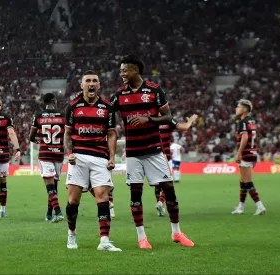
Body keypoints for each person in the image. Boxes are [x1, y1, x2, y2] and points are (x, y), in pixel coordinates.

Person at [110, 54, 194, 249]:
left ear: (136, 70)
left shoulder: (155, 90)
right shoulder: (120, 94)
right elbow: (105, 111)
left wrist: (149, 119)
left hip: (154, 150)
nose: (121, 73)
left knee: (169, 189)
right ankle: (142, 237)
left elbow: (167, 117)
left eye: (125, 70)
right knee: (135, 193)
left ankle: (176, 232)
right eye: (120, 70)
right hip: (132, 153)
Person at [64, 70, 121, 251]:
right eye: (87, 81)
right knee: (73, 201)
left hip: (100, 157)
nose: (91, 83)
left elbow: (112, 134)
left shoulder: (107, 107)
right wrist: (69, 153)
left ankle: (104, 241)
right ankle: (71, 235)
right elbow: (67, 134)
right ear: (82, 85)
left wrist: (112, 157)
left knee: (103, 198)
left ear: (99, 85)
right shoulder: (72, 106)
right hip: (78, 158)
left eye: (94, 81)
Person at [29, 92, 65, 223]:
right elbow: (67, 135)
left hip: (45, 154)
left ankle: (58, 212)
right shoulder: (62, 116)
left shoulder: (38, 116)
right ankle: (49, 213)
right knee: (54, 186)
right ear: (54, 101)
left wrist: (42, 141)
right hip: (59, 154)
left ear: (44, 103)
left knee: (49, 186)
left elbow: (31, 137)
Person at [155, 115, 198, 217]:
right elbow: (185, 127)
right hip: (166, 156)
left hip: (153, 156)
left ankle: (160, 207)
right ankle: (161, 202)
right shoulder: (168, 120)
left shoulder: (150, 119)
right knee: (168, 183)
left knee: (157, 184)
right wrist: (191, 120)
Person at [231, 99, 266, 215]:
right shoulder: (252, 120)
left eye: (238, 106)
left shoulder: (243, 122)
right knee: (242, 181)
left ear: (245, 109)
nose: (236, 108)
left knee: (247, 182)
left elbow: (245, 138)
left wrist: (239, 153)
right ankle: (240, 207)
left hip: (246, 153)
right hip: (252, 152)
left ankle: (260, 206)